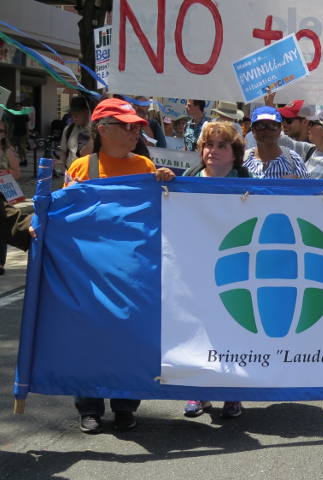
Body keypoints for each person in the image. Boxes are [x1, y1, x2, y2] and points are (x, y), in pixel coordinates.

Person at [64, 98, 176, 433]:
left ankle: (126, 405)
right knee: (91, 339)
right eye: (125, 126)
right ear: (102, 130)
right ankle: (89, 407)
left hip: (133, 271)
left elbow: (162, 211)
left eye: (135, 126)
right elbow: (64, 215)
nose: (133, 132)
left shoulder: (144, 165)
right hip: (91, 271)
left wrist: (167, 183)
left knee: (131, 338)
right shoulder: (82, 169)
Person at [181, 122, 250, 418]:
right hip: (194, 269)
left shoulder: (251, 185)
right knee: (198, 331)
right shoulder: (183, 181)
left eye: (222, 145)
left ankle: (232, 393)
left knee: (234, 330)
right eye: (209, 145)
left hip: (236, 268)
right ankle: (199, 392)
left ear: (234, 154)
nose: (213, 151)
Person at [243, 106, 310, 179]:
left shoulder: (294, 160)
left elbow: (308, 188)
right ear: (252, 130)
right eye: (260, 125)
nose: (266, 130)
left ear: (280, 130)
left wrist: (295, 184)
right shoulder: (243, 160)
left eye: (272, 125)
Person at [0, 123, 22, 275]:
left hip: (2, 194)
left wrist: (4, 172)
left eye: (1, 130)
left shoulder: (8, 150)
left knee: (2, 226)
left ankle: (0, 262)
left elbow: (17, 172)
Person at [58, 96, 92, 172]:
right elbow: (63, 151)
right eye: (73, 114)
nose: (74, 117)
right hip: (71, 173)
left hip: (88, 174)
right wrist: (62, 168)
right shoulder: (68, 129)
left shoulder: (94, 131)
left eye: (78, 113)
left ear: (86, 113)